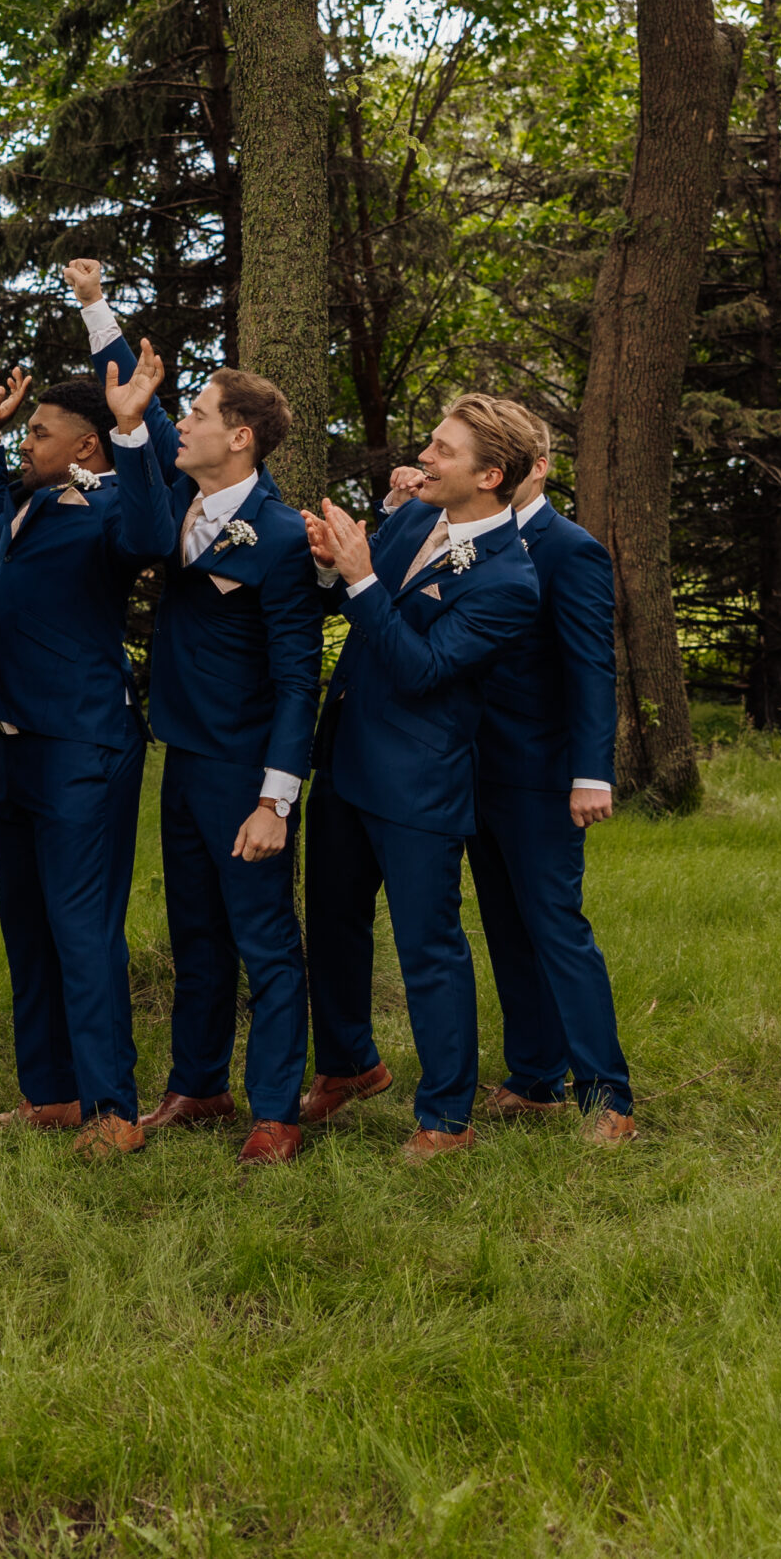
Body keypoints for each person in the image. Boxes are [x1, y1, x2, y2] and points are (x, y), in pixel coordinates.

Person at [69, 263, 322, 1167]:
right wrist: (95, 307)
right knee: (197, 935)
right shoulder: (181, 493)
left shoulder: (285, 538)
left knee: (266, 941)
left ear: (242, 439)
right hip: (180, 754)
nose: (189, 424)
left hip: (246, 769)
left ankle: (276, 1111)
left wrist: (275, 799)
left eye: (205, 415)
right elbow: (139, 405)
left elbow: (301, 679)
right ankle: (198, 1084)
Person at [300, 394, 543, 1159]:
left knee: (428, 947)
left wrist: (364, 581)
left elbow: (423, 668)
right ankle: (348, 1066)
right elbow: (355, 602)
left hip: (417, 782)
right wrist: (331, 566)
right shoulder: (412, 519)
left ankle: (446, 1117)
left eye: (442, 450)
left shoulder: (510, 581)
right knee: (332, 926)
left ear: (490, 475)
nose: (424, 458)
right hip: (343, 759)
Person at [0, 352, 162, 1153]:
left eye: (39, 434)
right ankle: (51, 1093)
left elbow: (150, 532)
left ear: (85, 447)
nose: (26, 444)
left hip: (83, 744)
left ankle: (115, 1112)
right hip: (13, 742)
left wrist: (132, 426)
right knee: (27, 923)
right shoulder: (31, 501)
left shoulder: (119, 508)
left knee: (84, 930)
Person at [457, 418, 636, 1144]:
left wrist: (592, 773)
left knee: (557, 930)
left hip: (540, 774)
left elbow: (593, 667)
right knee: (505, 926)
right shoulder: (464, 535)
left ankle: (609, 1098)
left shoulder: (572, 549)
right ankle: (534, 1079)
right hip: (474, 766)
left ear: (536, 467)